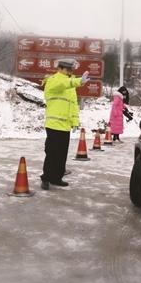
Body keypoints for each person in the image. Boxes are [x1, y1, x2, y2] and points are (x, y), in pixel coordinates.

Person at [40, 59, 89, 190]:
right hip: (53, 124)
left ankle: (57, 178)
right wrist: (78, 81)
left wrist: (75, 121)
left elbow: (73, 104)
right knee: (51, 153)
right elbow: (61, 84)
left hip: (65, 125)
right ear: (60, 68)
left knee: (62, 154)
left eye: (71, 71)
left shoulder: (69, 84)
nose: (70, 72)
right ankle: (46, 178)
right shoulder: (53, 80)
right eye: (68, 70)